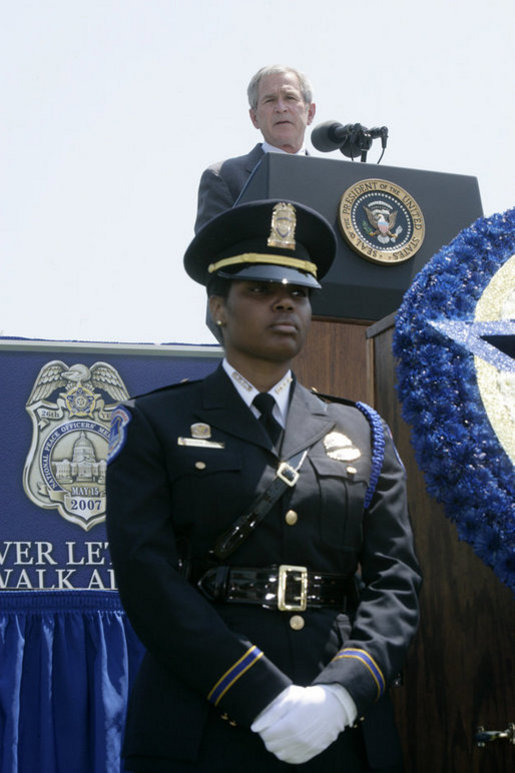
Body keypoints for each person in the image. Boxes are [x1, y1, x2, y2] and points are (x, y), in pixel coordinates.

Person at [106, 199, 421, 772]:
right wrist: (260, 694)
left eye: (299, 293)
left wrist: (345, 691)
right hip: (204, 718)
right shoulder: (156, 423)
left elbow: (395, 581)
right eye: (259, 288)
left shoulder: (362, 430)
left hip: (339, 725)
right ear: (217, 308)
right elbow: (146, 579)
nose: (284, 301)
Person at [194, 65, 316, 233]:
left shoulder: (332, 181)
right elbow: (210, 249)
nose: (281, 108)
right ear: (254, 118)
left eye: (290, 97)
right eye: (270, 100)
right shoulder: (224, 177)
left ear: (310, 112)